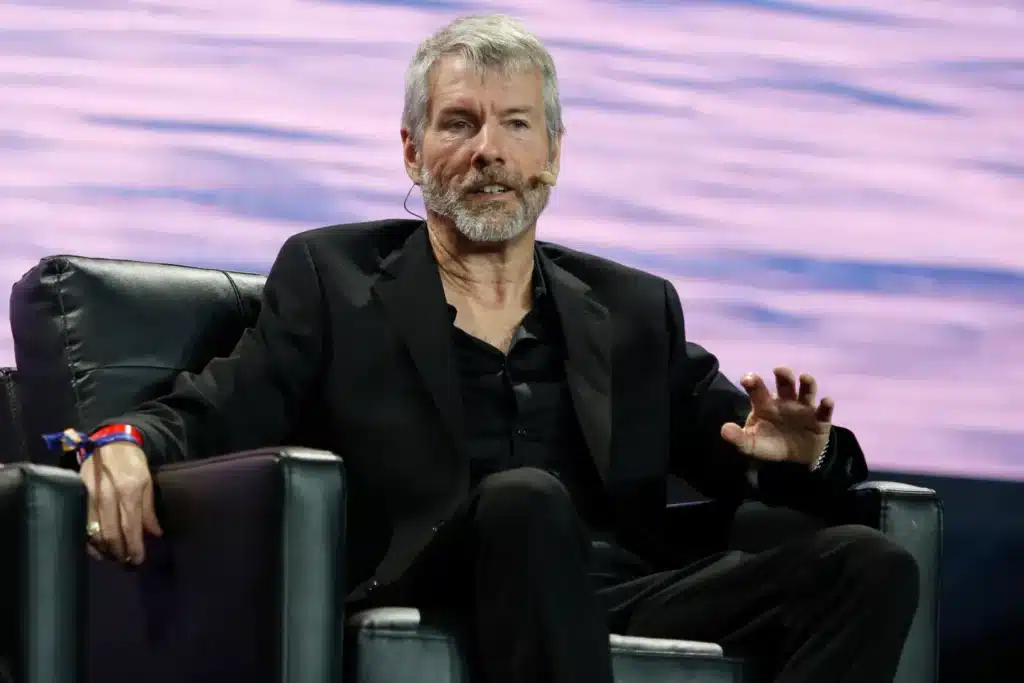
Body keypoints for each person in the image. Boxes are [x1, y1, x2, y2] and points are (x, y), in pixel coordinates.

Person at [72, 14, 919, 683]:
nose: (490, 151)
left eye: (517, 124)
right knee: (524, 501)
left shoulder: (631, 306)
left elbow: (747, 447)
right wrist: (120, 440)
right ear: (412, 148)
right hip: (435, 574)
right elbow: (222, 403)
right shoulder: (332, 277)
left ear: (553, 153)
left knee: (869, 566)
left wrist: (802, 458)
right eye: (459, 122)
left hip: (613, 587)